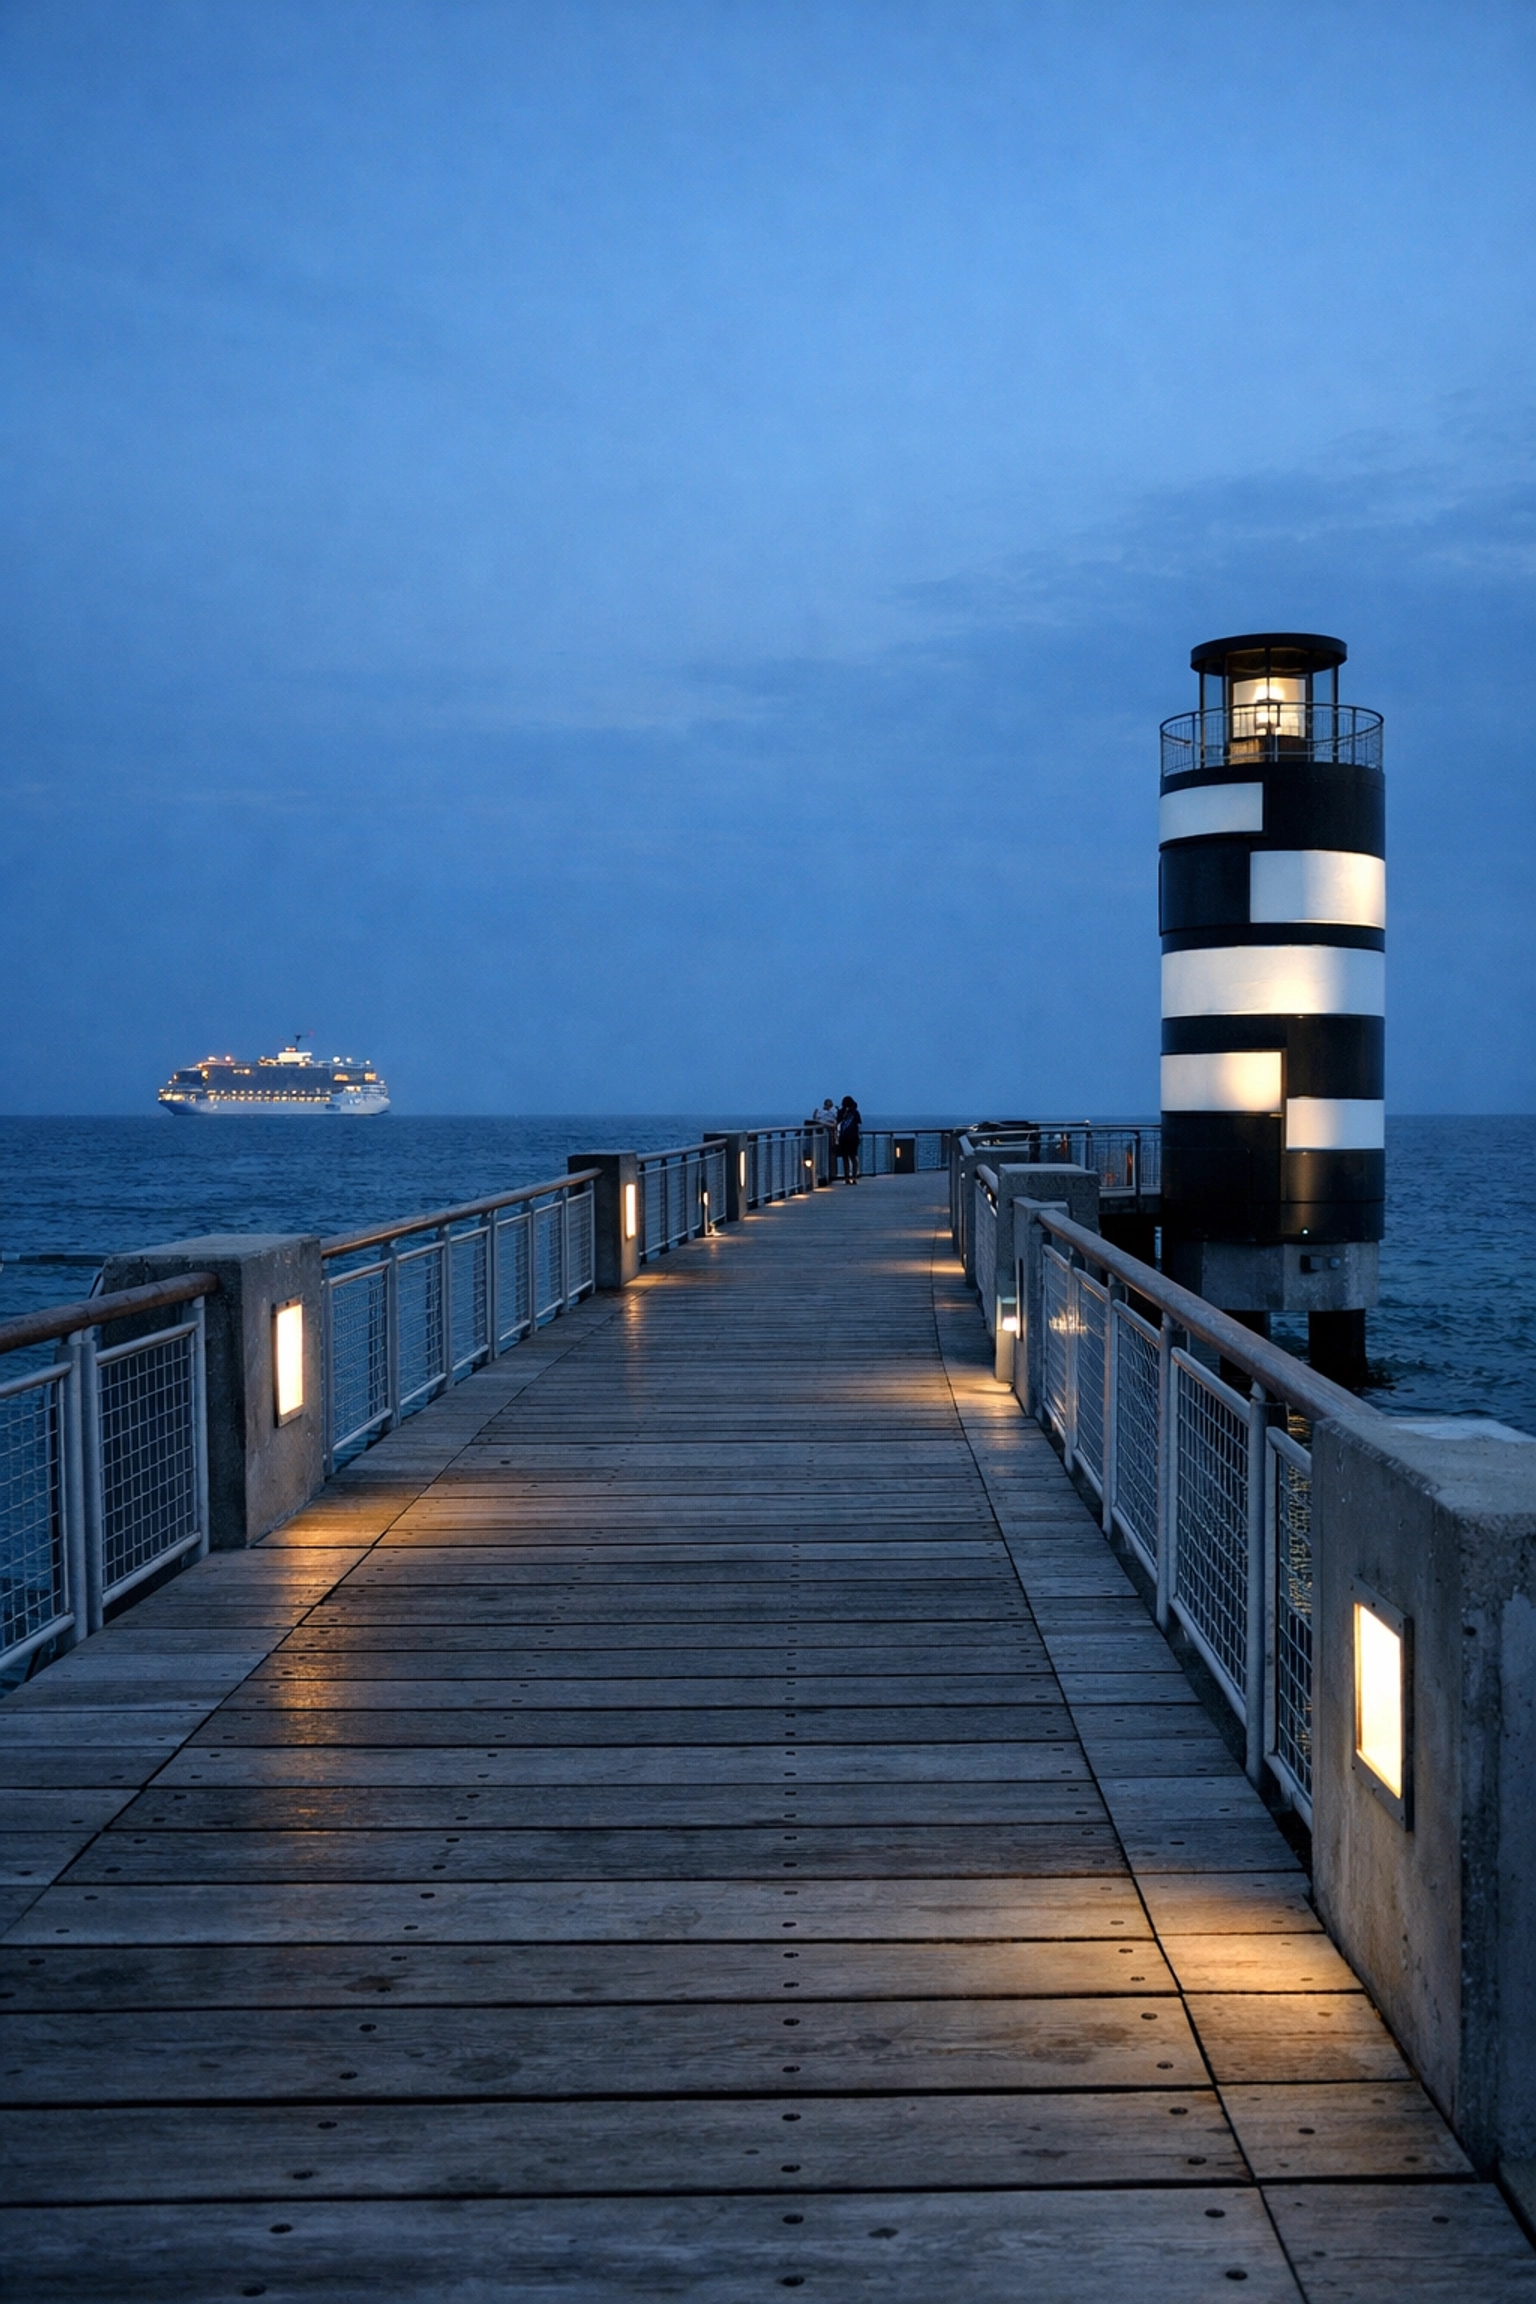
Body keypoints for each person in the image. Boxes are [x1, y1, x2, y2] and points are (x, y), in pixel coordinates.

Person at [835, 1095, 862, 1184]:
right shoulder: (855, 1112)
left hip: (843, 1137)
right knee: (853, 1158)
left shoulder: (841, 1112)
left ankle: (847, 1177)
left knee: (845, 1158)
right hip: (853, 1137)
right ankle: (854, 1177)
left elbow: (837, 1122)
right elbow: (858, 1123)